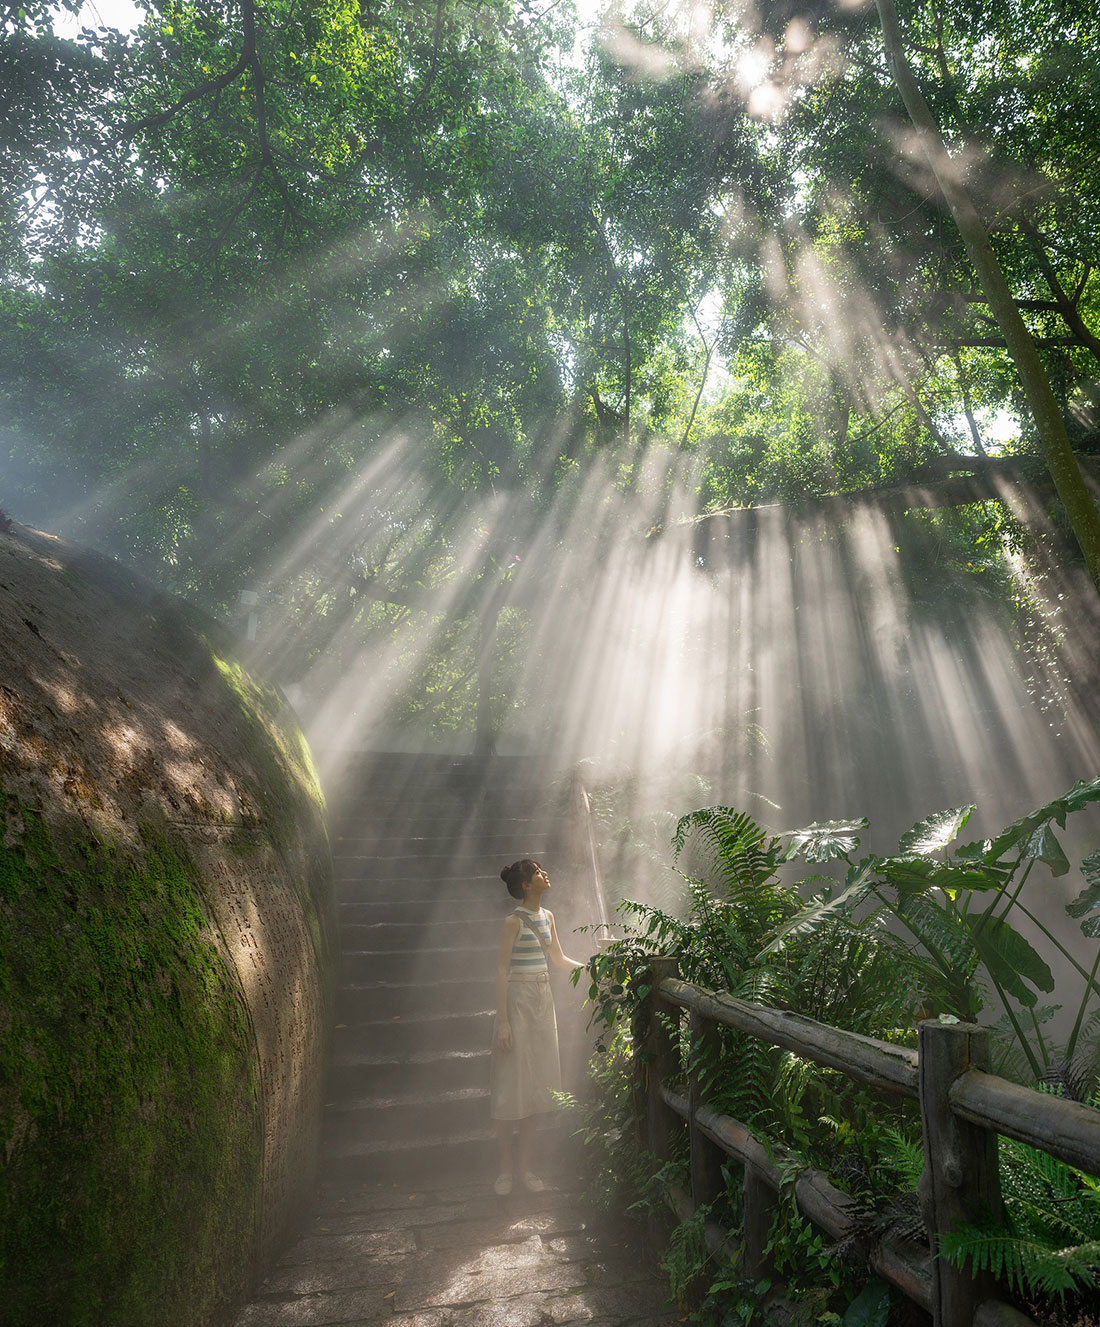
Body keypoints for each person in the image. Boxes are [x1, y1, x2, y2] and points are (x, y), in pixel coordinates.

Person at [491, 857, 585, 1196]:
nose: (546, 874)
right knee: (509, 1088)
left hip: (543, 1000)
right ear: (527, 886)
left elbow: (558, 959)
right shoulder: (512, 923)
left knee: (532, 1089)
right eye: (538, 873)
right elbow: (501, 971)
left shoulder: (548, 917)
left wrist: (591, 969)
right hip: (517, 1002)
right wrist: (503, 1022)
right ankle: (504, 1171)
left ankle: (525, 1170)